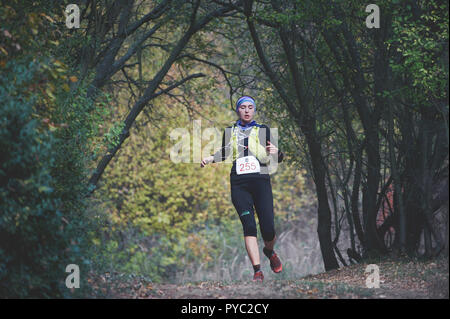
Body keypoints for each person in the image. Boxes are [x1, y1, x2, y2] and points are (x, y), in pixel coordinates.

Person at [201, 96, 284, 282]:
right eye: (243, 108)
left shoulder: (263, 130)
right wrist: (210, 158)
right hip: (239, 184)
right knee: (249, 226)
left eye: (250, 107)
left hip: (261, 182)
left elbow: (276, 155)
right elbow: (226, 152)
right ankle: (257, 271)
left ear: (254, 110)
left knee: (268, 228)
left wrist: (277, 153)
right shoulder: (230, 131)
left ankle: (269, 251)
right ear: (238, 110)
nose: (246, 110)